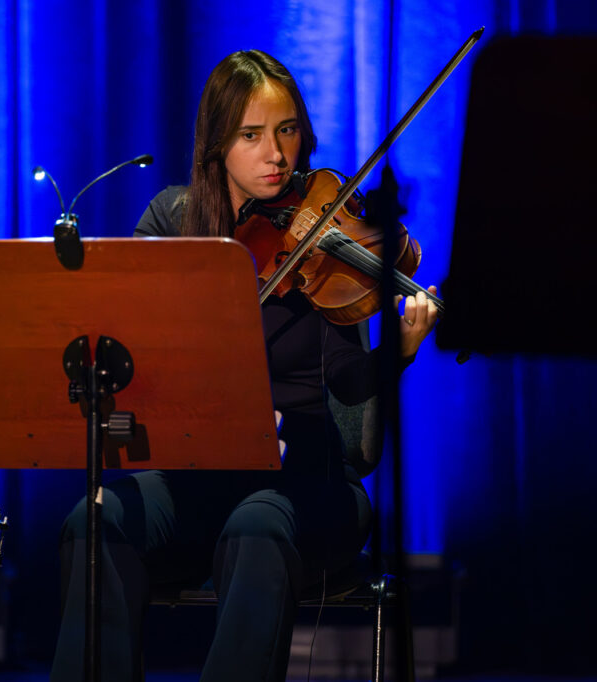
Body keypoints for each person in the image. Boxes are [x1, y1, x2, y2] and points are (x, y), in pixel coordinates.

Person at [50, 49, 438, 682]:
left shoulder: (323, 232)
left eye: (287, 131)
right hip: (196, 479)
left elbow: (347, 382)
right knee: (95, 523)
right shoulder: (174, 222)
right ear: (216, 146)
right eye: (251, 135)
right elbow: (136, 355)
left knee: (256, 525)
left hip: (307, 482)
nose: (276, 154)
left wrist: (398, 351)